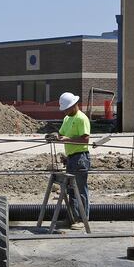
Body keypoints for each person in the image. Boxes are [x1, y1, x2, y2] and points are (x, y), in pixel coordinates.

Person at [47, 92, 91, 225]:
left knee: (80, 189)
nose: (64, 112)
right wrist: (54, 136)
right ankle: (72, 218)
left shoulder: (81, 118)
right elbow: (61, 135)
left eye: (66, 109)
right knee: (71, 190)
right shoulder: (67, 119)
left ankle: (82, 220)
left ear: (73, 105)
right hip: (72, 158)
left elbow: (85, 140)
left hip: (80, 158)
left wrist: (68, 140)